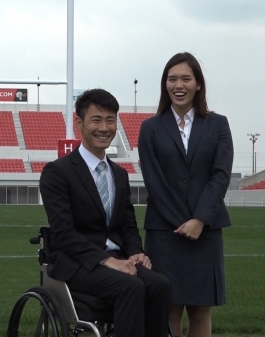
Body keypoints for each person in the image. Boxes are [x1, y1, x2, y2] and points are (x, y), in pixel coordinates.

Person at [40, 88, 171, 337]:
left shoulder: (119, 174)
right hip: (77, 263)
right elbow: (63, 233)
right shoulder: (58, 172)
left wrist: (136, 253)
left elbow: (128, 225)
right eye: (96, 120)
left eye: (110, 120)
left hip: (116, 258)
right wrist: (105, 260)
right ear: (79, 123)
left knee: (160, 284)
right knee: (130, 286)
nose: (104, 127)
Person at [138, 52, 234, 337]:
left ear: (198, 84)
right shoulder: (150, 128)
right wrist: (183, 222)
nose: (178, 85)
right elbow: (153, 182)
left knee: (200, 310)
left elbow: (220, 176)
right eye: (172, 79)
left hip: (205, 231)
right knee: (167, 310)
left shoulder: (218, 125)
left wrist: (200, 220)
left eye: (185, 78)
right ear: (165, 84)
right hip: (164, 231)